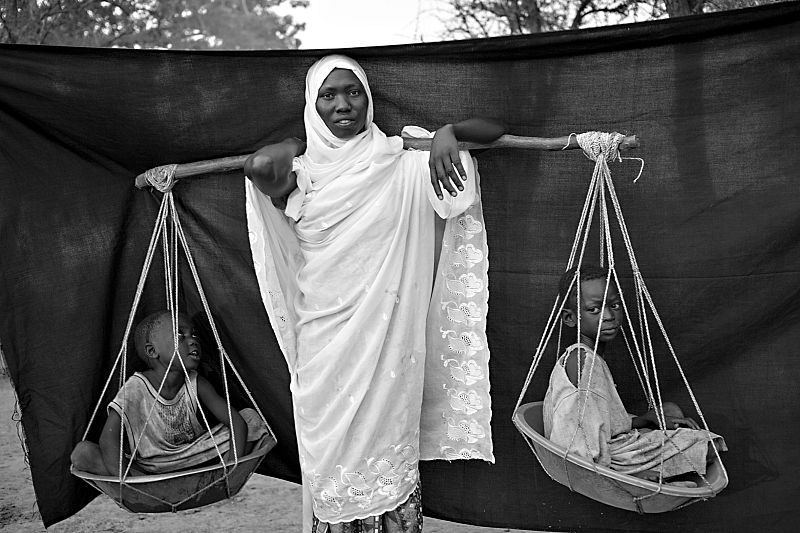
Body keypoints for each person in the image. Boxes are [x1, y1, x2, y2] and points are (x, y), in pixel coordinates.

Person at [244, 55, 505, 532]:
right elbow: (258, 164)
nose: (343, 104)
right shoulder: (299, 174)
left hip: (387, 347)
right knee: (332, 472)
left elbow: (495, 129)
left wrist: (446, 132)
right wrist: (294, 141)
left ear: (368, 98)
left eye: (353, 92)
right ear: (312, 105)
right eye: (328, 95)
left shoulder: (403, 161)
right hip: (324, 347)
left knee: (387, 464)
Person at [543, 265, 726, 483]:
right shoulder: (583, 362)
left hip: (611, 445)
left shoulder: (587, 358)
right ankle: (637, 475)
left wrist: (644, 420)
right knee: (708, 445)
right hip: (598, 462)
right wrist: (622, 476)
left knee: (670, 412)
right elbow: (575, 439)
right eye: (594, 310)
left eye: (615, 305)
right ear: (570, 318)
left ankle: (654, 461)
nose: (609, 316)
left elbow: (599, 422)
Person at [71, 310, 268, 476]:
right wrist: (130, 481)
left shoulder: (196, 381)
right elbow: (108, 439)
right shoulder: (136, 387)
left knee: (250, 418)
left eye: (194, 335)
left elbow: (236, 422)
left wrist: (231, 468)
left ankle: (214, 478)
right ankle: (147, 489)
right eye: (180, 335)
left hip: (195, 457)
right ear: (152, 351)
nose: (192, 341)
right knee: (82, 453)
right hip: (150, 468)